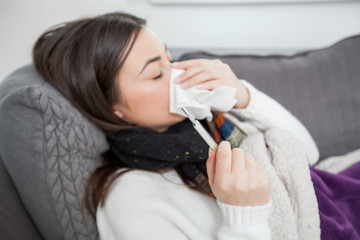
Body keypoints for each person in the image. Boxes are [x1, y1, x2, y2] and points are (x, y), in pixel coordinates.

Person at [32, 12, 360, 240]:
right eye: (156, 74)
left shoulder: (210, 120)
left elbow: (306, 158)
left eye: (169, 59)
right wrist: (244, 215)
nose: (177, 75)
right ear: (113, 108)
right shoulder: (131, 201)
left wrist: (244, 97)